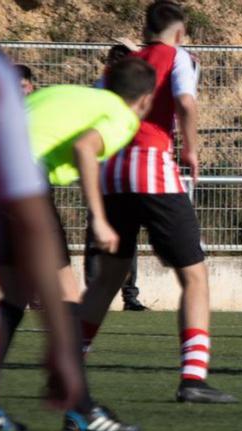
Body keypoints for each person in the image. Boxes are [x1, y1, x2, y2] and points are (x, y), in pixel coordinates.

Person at [79, 1, 236, 404]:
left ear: (145, 28)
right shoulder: (178, 56)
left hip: (111, 174)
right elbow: (185, 102)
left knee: (108, 278)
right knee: (194, 277)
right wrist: (191, 150)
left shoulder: (122, 66)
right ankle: (193, 379)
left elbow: (94, 110)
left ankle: (69, 359)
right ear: (180, 32)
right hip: (153, 169)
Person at [0, 52, 154, 431]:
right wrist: (99, 218)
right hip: (17, 177)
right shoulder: (121, 115)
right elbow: (85, 147)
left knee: (15, 293)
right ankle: (81, 409)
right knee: (65, 296)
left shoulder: (71, 94)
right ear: (146, 99)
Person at [83, 42, 148, 312]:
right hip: (103, 170)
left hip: (126, 171)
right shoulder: (100, 90)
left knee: (127, 235)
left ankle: (129, 294)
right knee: (98, 234)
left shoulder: (134, 93)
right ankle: (96, 291)